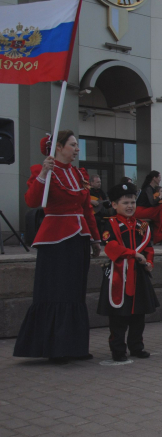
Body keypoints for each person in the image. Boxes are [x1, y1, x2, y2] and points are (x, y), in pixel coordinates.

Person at [13, 131, 102, 364]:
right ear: (59, 147)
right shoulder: (43, 172)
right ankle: (56, 347)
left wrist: (94, 238)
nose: (77, 149)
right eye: (73, 145)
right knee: (57, 291)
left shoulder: (78, 174)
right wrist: (43, 173)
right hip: (55, 239)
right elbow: (32, 202)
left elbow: (86, 210)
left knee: (75, 292)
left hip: (79, 237)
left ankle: (73, 346)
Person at [97, 183, 159, 362]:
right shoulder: (110, 223)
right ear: (115, 205)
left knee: (138, 315)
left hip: (138, 274)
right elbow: (111, 247)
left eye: (132, 202)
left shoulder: (142, 225)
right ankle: (118, 350)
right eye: (125, 202)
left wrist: (148, 262)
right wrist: (133, 254)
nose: (130, 206)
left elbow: (148, 247)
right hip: (119, 274)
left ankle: (136, 346)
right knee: (119, 316)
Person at [136, 170, 162, 244]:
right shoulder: (148, 188)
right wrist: (160, 196)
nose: (160, 179)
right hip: (141, 211)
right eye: (159, 177)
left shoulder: (153, 189)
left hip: (147, 210)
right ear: (154, 178)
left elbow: (156, 202)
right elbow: (152, 203)